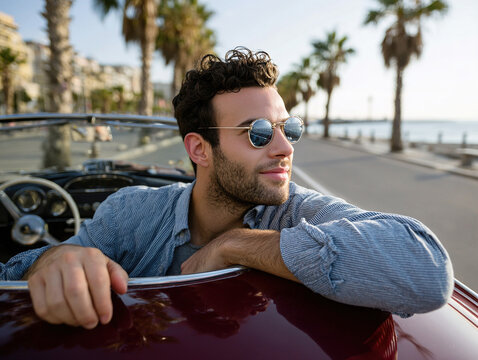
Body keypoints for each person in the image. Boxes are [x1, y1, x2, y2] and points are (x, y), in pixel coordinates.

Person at [0, 47, 453, 330]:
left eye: (288, 128)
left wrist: (238, 244)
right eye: (257, 132)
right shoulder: (131, 213)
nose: (283, 148)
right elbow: (14, 274)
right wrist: (53, 259)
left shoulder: (298, 212)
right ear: (200, 149)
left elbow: (427, 269)